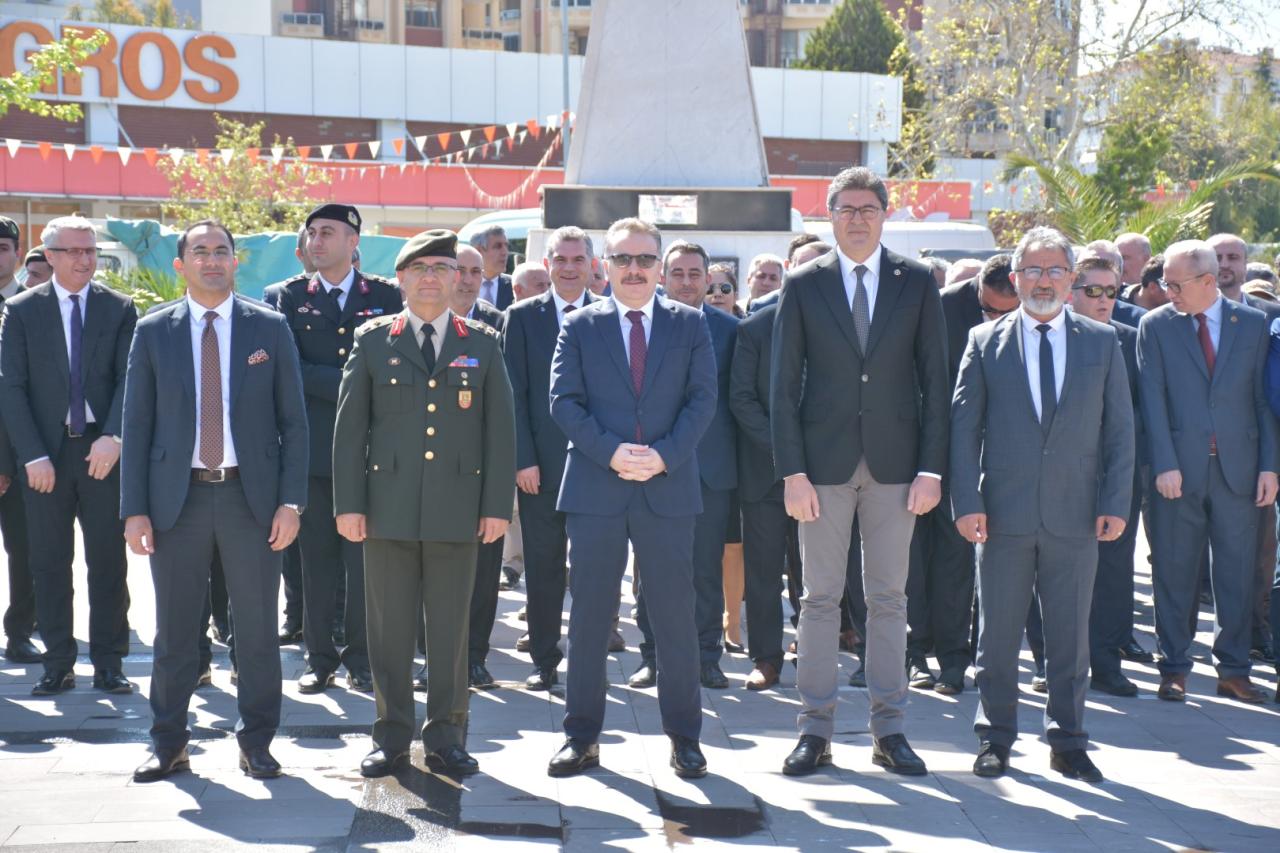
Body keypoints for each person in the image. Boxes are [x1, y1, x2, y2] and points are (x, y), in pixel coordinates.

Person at [771, 166, 948, 777]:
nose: (857, 217)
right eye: (845, 208)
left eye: (867, 207)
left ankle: (889, 730)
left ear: (884, 213)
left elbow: (935, 382)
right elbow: (782, 386)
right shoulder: (802, 283)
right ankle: (814, 732)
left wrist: (933, 468)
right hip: (821, 467)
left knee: (889, 599)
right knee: (819, 598)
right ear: (829, 215)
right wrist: (791, 472)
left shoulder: (918, 282)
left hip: (898, 468)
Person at [124, 220, 308, 782]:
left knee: (254, 631)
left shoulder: (268, 328)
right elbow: (137, 425)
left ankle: (256, 742)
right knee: (176, 631)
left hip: (249, 501)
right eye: (199, 251)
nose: (211, 260)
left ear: (236, 261)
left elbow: (294, 423)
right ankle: (168, 742)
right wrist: (134, 509)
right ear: (180, 263)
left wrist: (291, 503)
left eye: (221, 251)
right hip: (174, 501)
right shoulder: (154, 331)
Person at [951, 226, 1134, 783]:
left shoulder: (1102, 342)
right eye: (1033, 270)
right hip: (1001, 513)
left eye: (1056, 270)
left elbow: (1121, 432)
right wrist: (966, 500)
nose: (1044, 280)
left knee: (1069, 635)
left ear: (1073, 280)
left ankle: (1069, 740)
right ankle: (995, 737)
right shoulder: (984, 342)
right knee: (997, 636)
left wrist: (1115, 502)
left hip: (1076, 514)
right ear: (1015, 278)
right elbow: (963, 430)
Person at [334, 229, 515, 778]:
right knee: (387, 630)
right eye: (421, 269)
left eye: (444, 267)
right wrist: (349, 504)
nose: (433, 278)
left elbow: (499, 432)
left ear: (459, 276)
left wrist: (495, 507)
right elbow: (349, 431)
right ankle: (390, 737)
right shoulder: (372, 341)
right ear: (402, 278)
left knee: (449, 629)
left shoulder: (481, 342)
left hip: (457, 509)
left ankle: (446, 735)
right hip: (386, 508)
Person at [546, 217, 716, 779]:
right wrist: (612, 452)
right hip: (597, 486)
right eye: (624, 259)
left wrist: (663, 455)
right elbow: (564, 401)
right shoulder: (580, 325)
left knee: (673, 618)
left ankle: (685, 738)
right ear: (605, 266)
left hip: (668, 487)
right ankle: (581, 736)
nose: (635, 269)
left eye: (646, 259)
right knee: (591, 618)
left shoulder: (690, 325)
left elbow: (702, 401)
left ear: (660, 266)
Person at [0, 215, 135, 697]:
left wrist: (115, 435)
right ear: (50, 256)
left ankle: (110, 662)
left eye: (90, 251)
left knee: (108, 562)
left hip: (101, 451)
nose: (84, 260)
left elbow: (130, 380)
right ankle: (58, 663)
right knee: (48, 563)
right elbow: (10, 388)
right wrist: (31, 455)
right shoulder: (21, 311)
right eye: (73, 251)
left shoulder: (119, 308)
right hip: (45, 455)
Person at [1140, 239, 1276, 705]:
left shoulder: (1255, 324)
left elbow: (1262, 402)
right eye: (1165, 282)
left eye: (1176, 284)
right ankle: (1174, 667)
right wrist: (1164, 463)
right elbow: (1152, 400)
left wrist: (1269, 467)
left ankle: (1234, 670)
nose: (1168, 292)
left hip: (1240, 470)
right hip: (1178, 472)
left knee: (1237, 574)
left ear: (1207, 281)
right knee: (1175, 571)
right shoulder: (1155, 327)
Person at [274, 204, 402, 695]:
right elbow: (290, 371)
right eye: (312, 233)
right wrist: (355, 379)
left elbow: (393, 367)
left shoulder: (387, 297)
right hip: (311, 450)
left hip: (371, 450)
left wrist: (351, 379)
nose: (317, 240)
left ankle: (362, 658)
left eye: (328, 232)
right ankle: (319, 657)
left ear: (354, 242)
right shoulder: (285, 297)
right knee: (317, 561)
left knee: (365, 562)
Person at [632, 241, 738, 690]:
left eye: (697, 274)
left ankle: (707, 656)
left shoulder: (730, 330)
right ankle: (653, 656)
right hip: (651, 465)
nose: (688, 282)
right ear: (662, 275)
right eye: (678, 273)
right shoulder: (639, 324)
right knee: (651, 569)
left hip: (708, 469)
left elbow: (735, 400)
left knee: (704, 569)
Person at [502, 226, 596, 690]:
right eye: (561, 259)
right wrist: (522, 459)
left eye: (578, 259)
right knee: (543, 567)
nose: (569, 268)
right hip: (540, 467)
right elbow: (512, 394)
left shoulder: (608, 314)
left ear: (591, 265)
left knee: (595, 570)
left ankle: (589, 657)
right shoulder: (521, 318)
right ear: (549, 263)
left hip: (600, 468)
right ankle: (544, 659)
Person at [1067, 257, 1147, 697]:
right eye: (1092, 291)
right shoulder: (1052, 336)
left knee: (1114, 572)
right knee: (1055, 572)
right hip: (1059, 473)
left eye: (1111, 292)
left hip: (1115, 475)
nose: (1103, 301)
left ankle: (1108, 663)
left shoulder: (1130, 340)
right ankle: (1051, 661)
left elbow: (1141, 413)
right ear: (1070, 291)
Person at [1208, 233, 1279, 667]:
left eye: (1234, 257)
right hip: (1203, 458)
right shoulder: (1179, 318)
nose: (1227, 264)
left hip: (1257, 457)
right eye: (1218, 258)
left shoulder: (1270, 319)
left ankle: (1256, 632)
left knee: (1260, 554)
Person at [452, 242, 507, 688]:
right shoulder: (406, 324)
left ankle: (474, 656)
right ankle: (434, 656)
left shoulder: (496, 325)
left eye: (475, 271)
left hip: (482, 469)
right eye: (459, 270)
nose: (468, 280)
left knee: (484, 573)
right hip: (429, 469)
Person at [0, 217, 37, 664]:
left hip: (25, 454)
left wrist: (11, 462)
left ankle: (21, 631)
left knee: (26, 551)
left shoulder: (34, 308)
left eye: (4, 246)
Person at [470, 225, 514, 309]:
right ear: (478, 251)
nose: (505, 252)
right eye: (498, 246)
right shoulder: (460, 285)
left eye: (506, 246)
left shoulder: (515, 286)